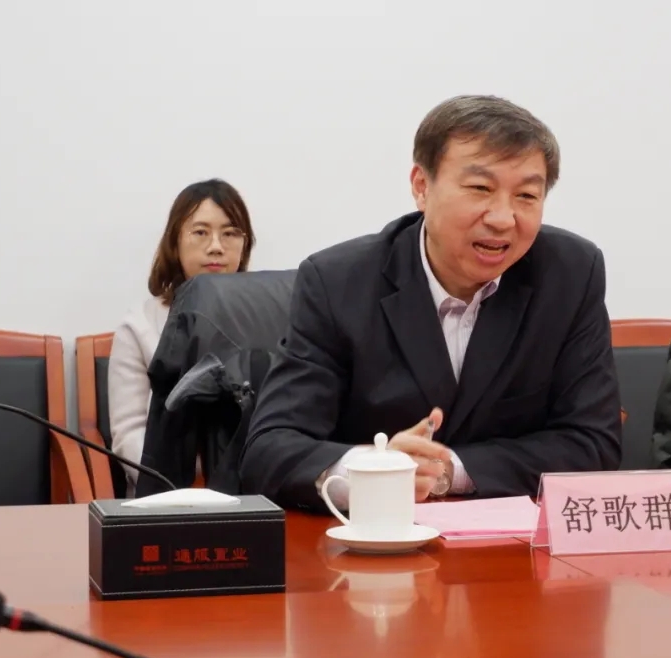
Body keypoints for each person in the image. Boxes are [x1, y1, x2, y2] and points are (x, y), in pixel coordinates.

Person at [241, 94, 621, 512]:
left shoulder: (570, 275)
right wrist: (375, 470)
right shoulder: (337, 282)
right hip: (370, 539)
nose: (502, 218)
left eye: (527, 196)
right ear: (421, 187)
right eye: (480, 188)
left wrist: (449, 470)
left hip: (511, 544)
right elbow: (270, 449)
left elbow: (593, 444)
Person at [108, 179, 256, 496]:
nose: (216, 246)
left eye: (230, 233)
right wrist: (179, 487)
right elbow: (129, 433)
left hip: (254, 491)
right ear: (174, 242)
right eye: (200, 232)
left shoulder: (267, 317)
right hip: (167, 496)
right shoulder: (139, 325)